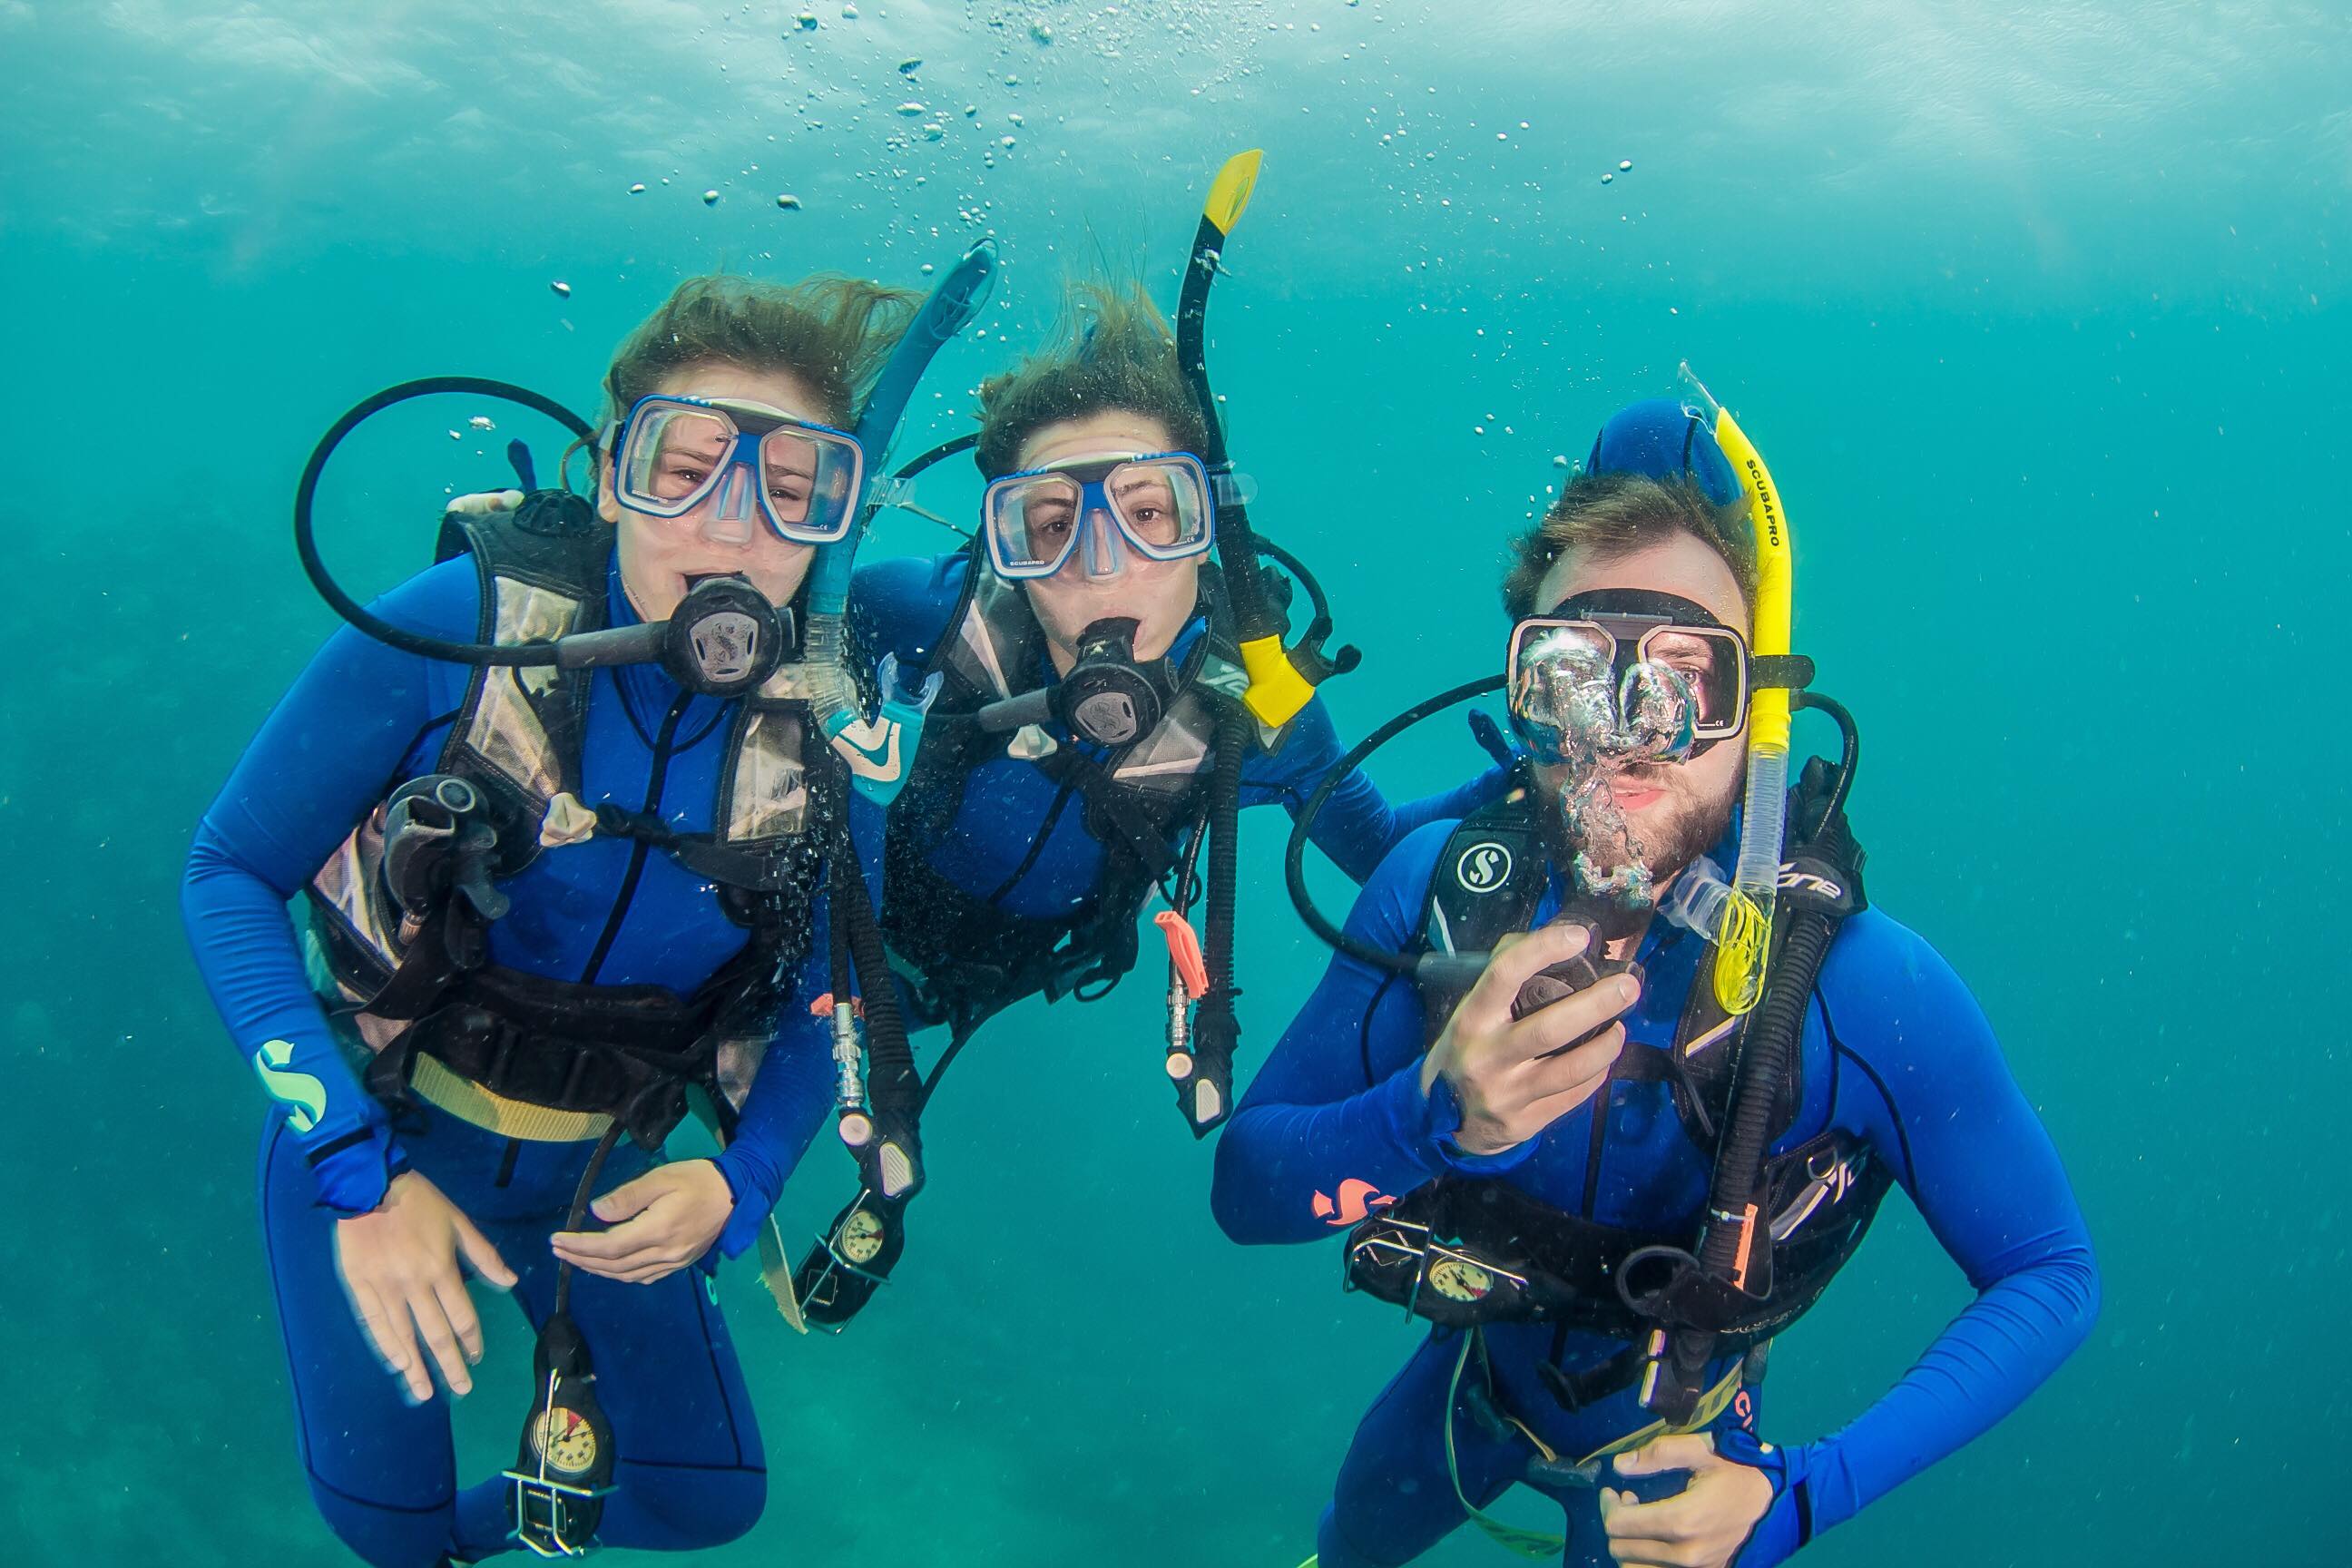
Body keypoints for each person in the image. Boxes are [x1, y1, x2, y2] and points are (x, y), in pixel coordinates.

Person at [1210, 387, 2100, 1568]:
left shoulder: (1860, 987)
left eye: (1686, 677)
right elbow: (1245, 1192)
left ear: (1760, 712)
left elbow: (2050, 1272)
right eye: (1574, 671)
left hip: (1679, 1456)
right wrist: (1425, 1117)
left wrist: (1802, 1496)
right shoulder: (1442, 884)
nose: (1628, 729)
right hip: (1469, 1392)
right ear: (1520, 692)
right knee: (1350, 1545)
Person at [181, 257, 981, 1566]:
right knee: (383, 1536)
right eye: (685, 467)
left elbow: (835, 990)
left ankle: (528, 1482)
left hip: (611, 1177)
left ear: (834, 524)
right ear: (610, 473)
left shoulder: (836, 727)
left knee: (708, 1501)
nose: (732, 530)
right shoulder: (464, 625)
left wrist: (739, 1182)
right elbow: (226, 869)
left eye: (793, 490)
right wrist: (352, 1172)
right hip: (384, 1135)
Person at [794, 275, 1504, 1322]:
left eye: (1147, 516)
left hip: (1033, 967)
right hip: (851, 938)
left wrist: (1527, 775)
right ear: (1004, 551)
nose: (1101, 565)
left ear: (1206, 533)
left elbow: (1388, 847)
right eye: (1045, 525)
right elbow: (748, 649)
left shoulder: (1254, 714)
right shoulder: (914, 619)